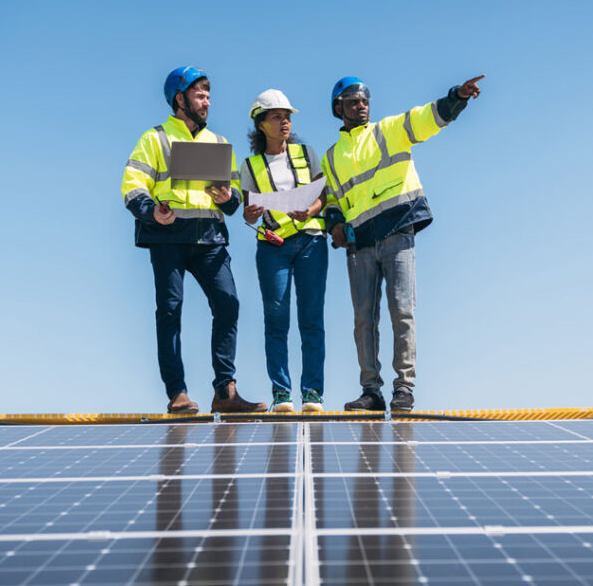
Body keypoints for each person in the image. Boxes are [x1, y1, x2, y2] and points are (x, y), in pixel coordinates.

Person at [322, 74, 484, 412]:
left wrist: (457, 97)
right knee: (364, 319)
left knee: (402, 311)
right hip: (360, 243)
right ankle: (371, 391)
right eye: (353, 100)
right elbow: (332, 201)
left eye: (365, 99)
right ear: (339, 108)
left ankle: (404, 389)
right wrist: (334, 222)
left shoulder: (389, 130)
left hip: (397, 230)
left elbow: (427, 117)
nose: (361, 104)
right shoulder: (331, 157)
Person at [120, 66, 267, 415]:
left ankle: (225, 391)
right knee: (170, 311)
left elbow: (232, 202)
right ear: (179, 98)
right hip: (167, 236)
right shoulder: (154, 139)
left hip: (210, 238)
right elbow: (132, 186)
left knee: (228, 302)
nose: (207, 102)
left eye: (208, 95)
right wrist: (152, 211)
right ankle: (178, 393)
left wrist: (225, 198)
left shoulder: (218, 143)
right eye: (200, 95)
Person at [241, 89, 328, 413]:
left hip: (311, 242)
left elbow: (324, 196)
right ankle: (282, 394)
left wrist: (312, 210)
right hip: (272, 246)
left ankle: (313, 395)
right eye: (277, 116)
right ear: (261, 123)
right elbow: (248, 210)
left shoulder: (308, 154)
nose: (285, 122)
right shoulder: (249, 166)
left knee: (311, 319)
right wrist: (249, 213)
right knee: (276, 320)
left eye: (287, 116)